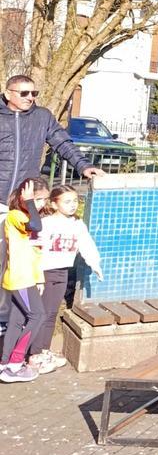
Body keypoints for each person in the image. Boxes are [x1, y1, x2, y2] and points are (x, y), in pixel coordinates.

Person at [0, 76, 102, 338]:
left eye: (34, 92)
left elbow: (62, 143)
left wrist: (83, 166)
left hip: (22, 203)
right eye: (24, 93)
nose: (30, 97)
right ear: (8, 93)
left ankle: (5, 320)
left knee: (14, 261)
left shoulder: (42, 117)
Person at [30, 185, 102, 372]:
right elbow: (34, 248)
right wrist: (36, 275)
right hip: (44, 272)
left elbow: (87, 245)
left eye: (75, 201)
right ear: (54, 204)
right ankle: (34, 354)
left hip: (62, 272)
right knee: (41, 314)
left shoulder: (77, 224)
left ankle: (43, 350)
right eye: (67, 201)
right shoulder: (46, 223)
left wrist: (95, 264)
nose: (72, 205)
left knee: (52, 313)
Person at [2, 178, 50, 383]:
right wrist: (29, 202)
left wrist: (39, 278)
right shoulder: (15, 216)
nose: (40, 204)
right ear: (23, 197)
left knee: (17, 320)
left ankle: (5, 364)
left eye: (43, 200)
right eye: (37, 199)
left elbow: (35, 254)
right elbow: (35, 224)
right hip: (19, 278)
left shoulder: (26, 215)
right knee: (38, 316)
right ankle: (15, 361)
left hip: (27, 277)